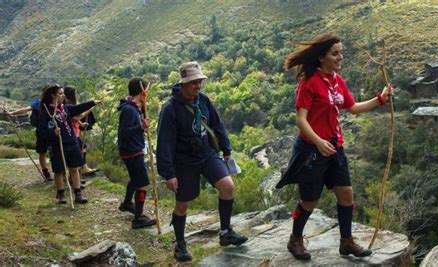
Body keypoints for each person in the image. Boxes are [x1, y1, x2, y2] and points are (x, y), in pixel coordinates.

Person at [276, 33, 394, 261]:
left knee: (346, 195)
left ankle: (346, 242)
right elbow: (301, 119)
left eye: (341, 52)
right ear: (321, 57)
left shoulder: (337, 81)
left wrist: (381, 98)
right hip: (312, 150)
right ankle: (295, 239)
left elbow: (352, 108)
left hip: (334, 147)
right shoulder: (309, 83)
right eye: (335, 53)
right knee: (310, 200)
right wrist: (318, 142)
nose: (341, 57)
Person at [156, 61, 248, 262]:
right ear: (182, 84)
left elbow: (216, 124)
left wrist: (227, 150)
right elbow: (164, 142)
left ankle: (225, 232)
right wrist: (169, 173)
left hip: (206, 153)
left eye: (199, 82)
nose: (198, 86)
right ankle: (180, 244)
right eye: (193, 82)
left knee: (227, 186)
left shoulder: (203, 100)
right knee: (182, 204)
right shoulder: (170, 109)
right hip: (184, 160)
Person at [38, 85, 99, 204]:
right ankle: (61, 194)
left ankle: (78, 194)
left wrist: (92, 103)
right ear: (53, 95)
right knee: (59, 171)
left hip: (72, 142)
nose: (63, 95)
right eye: (60, 94)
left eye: (63, 93)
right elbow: (42, 131)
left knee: (75, 168)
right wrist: (53, 133)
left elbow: (78, 108)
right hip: (58, 145)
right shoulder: (46, 112)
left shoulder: (65, 108)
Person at [117, 78, 157, 229]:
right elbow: (125, 132)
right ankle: (138, 217)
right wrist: (141, 127)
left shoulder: (133, 107)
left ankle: (127, 203)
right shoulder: (128, 110)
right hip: (132, 151)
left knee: (135, 179)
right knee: (143, 184)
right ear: (142, 91)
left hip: (132, 149)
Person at [4, 87, 52, 181]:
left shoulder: (51, 103)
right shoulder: (39, 103)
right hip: (44, 132)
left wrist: (12, 113)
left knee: (44, 152)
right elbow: (26, 109)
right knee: (43, 152)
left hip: (47, 132)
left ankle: (50, 172)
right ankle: (47, 172)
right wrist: (12, 113)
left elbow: (26, 109)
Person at [63, 86, 98, 177]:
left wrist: (81, 124)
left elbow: (76, 118)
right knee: (79, 150)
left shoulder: (72, 104)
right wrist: (88, 110)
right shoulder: (67, 106)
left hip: (75, 130)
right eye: (75, 93)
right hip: (71, 132)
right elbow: (77, 117)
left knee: (82, 148)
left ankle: (79, 171)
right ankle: (79, 171)